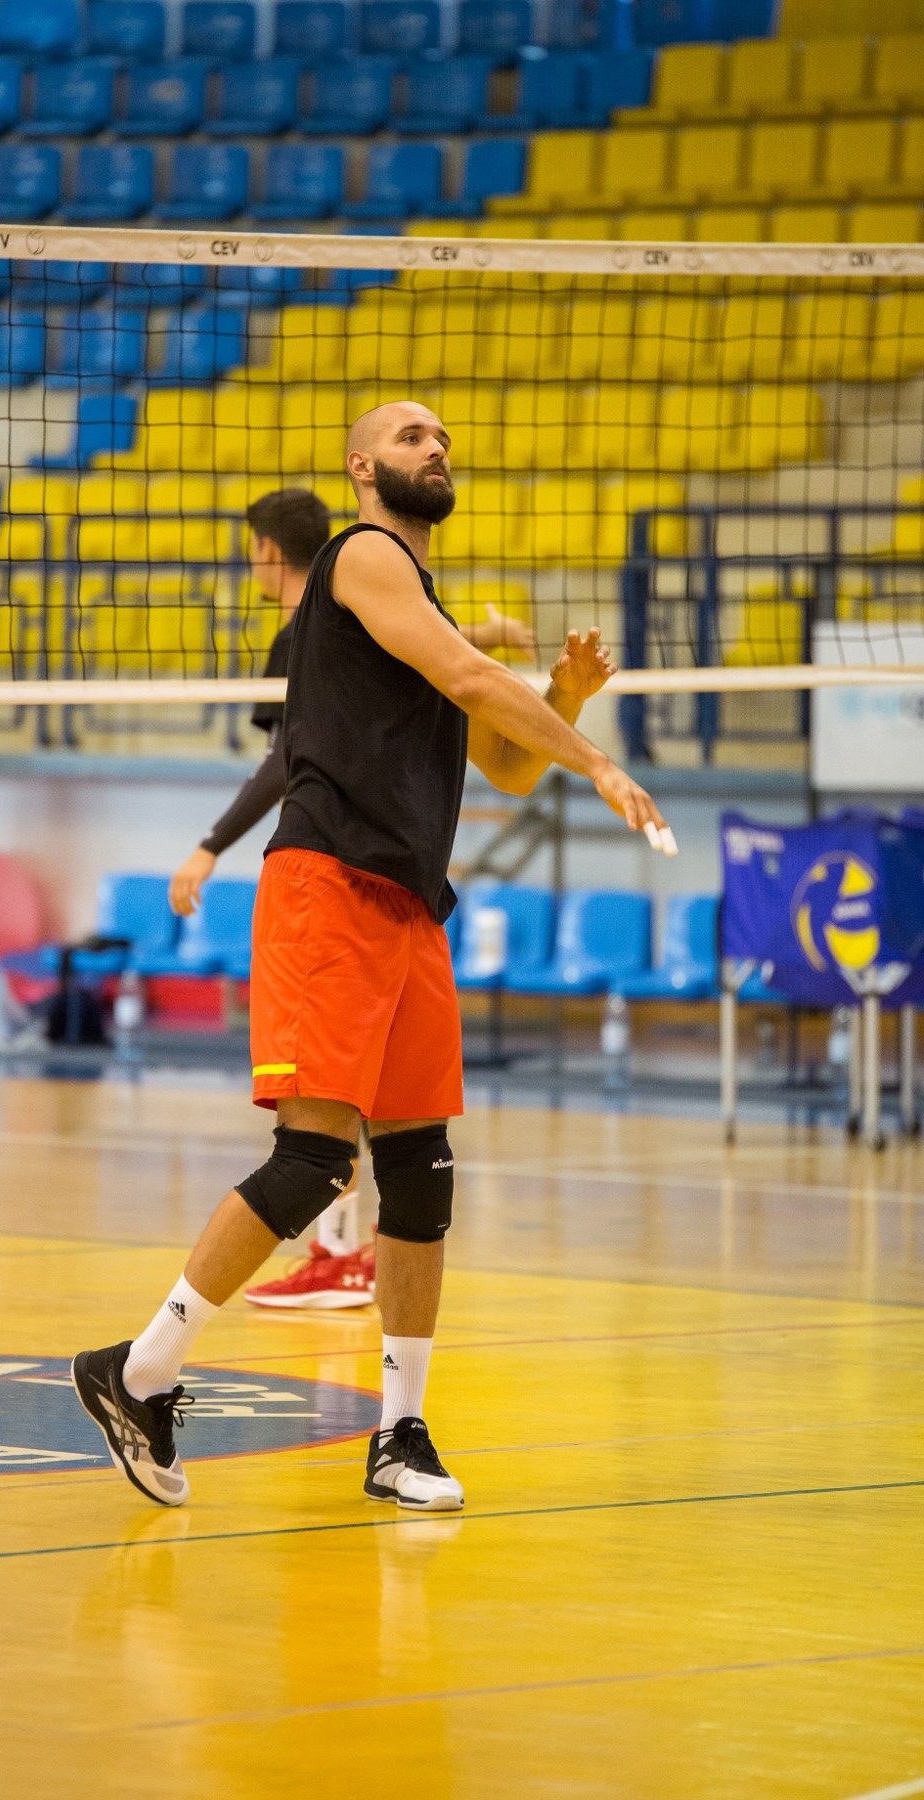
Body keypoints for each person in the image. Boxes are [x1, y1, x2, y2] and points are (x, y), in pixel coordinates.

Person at [72, 399, 676, 1514]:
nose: (435, 447)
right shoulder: (361, 558)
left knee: (421, 1169)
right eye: (410, 437)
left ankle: (400, 1433)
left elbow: (503, 763)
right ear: (361, 467)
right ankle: (139, 1369)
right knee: (313, 1161)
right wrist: (596, 758)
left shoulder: (422, 604)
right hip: (329, 885)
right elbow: (479, 687)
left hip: (408, 903)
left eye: (443, 437)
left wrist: (566, 700)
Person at [167, 485, 538, 1312]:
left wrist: (210, 843)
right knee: (342, 1117)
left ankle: (338, 1254)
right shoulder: (368, 605)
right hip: (369, 877)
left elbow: (285, 760)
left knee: (347, 1123)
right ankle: (332, 1249)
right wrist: (490, 638)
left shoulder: (310, 627)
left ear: (266, 551)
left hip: (363, 880)